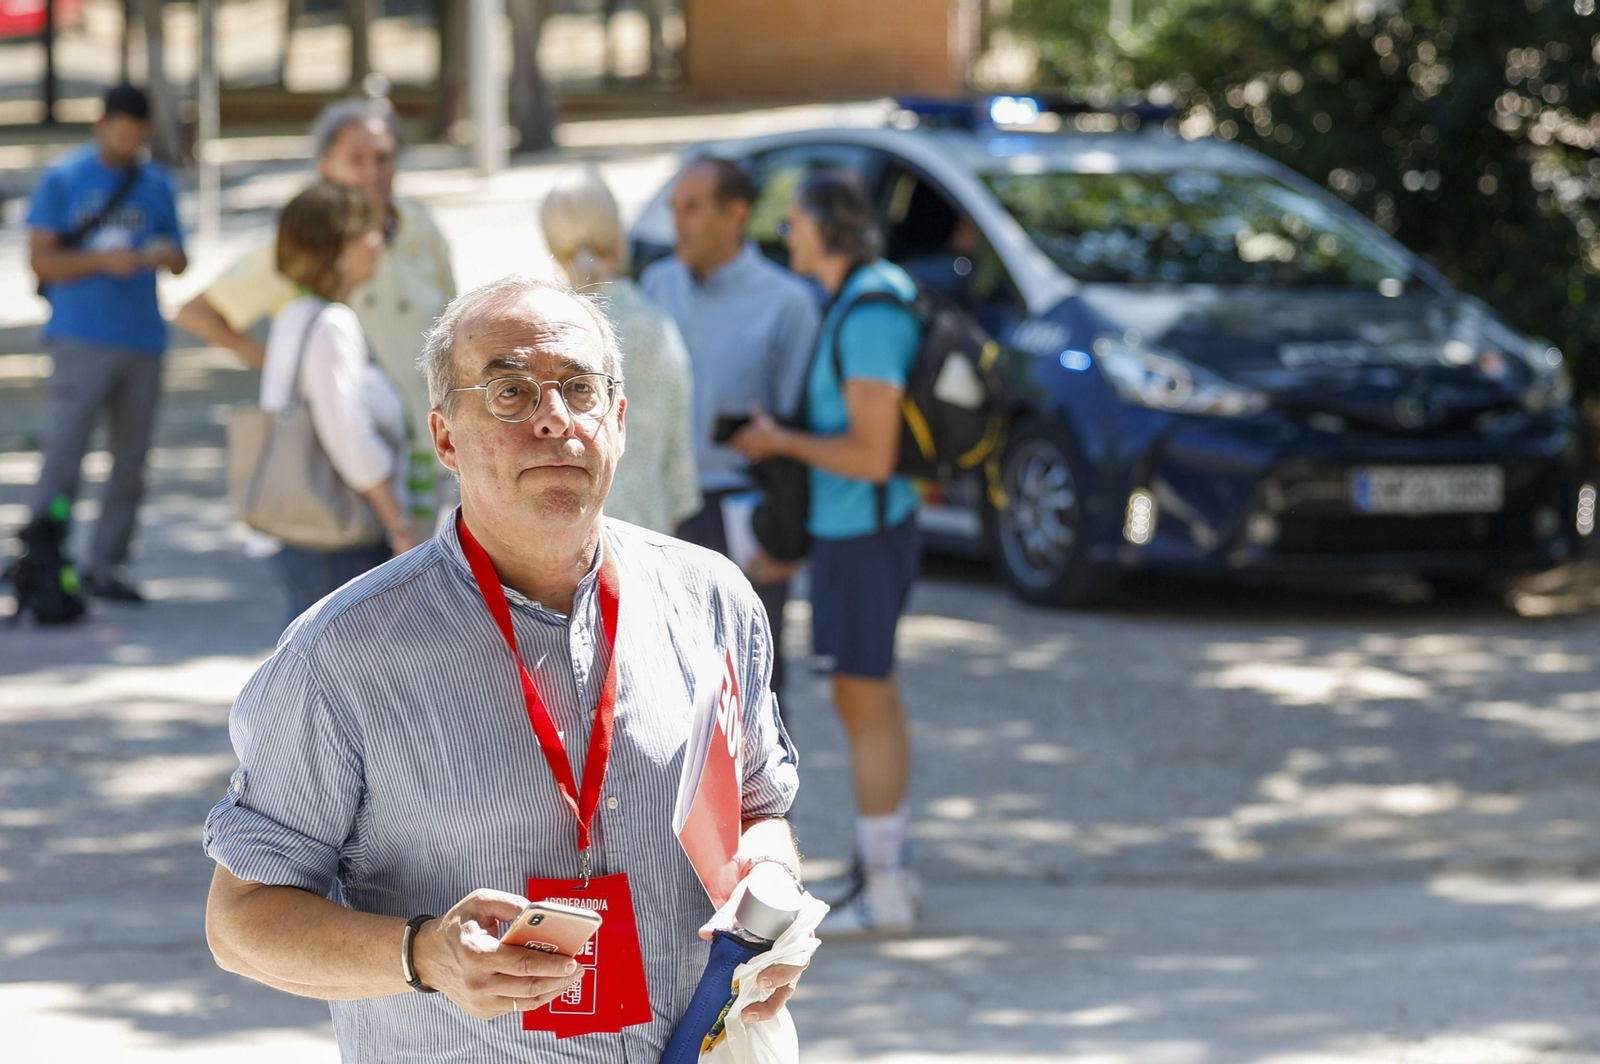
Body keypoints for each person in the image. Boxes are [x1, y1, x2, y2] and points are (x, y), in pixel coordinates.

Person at [203, 274, 812, 1061]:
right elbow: (239, 922)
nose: (554, 419)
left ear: (619, 421)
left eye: (577, 389)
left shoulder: (712, 599)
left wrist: (771, 892)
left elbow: (760, 807)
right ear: (445, 438)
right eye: (510, 393)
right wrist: (423, 955)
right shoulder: (341, 656)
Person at [729, 169, 923, 938]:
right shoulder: (853, 300)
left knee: (866, 701)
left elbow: (871, 454)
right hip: (851, 537)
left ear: (830, 225)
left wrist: (780, 441)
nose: (788, 235)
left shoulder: (871, 311)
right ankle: (880, 867)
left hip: (868, 535)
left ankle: (890, 887)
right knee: (862, 699)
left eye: (796, 221)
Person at [175, 97, 455, 530]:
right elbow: (197, 312)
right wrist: (283, 368)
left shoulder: (419, 225)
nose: (372, 172)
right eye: (356, 159)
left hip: (428, 446)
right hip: (349, 471)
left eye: (382, 158)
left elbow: (452, 329)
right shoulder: (307, 241)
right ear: (326, 166)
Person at [639, 156, 820, 693]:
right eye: (674, 209)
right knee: (664, 688)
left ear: (737, 213)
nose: (678, 223)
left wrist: (787, 538)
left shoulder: (789, 304)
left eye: (692, 209)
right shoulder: (655, 286)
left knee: (751, 688)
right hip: (665, 512)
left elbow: (796, 429)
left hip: (745, 512)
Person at [24, 82, 187, 603]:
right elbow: (41, 261)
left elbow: (182, 258)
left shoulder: (156, 182)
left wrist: (162, 255)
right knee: (64, 458)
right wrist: (101, 261)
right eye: (119, 130)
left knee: (129, 465)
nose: (127, 140)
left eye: (136, 132)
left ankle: (106, 567)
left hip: (142, 340)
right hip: (79, 338)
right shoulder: (64, 178)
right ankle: (45, 561)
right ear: (101, 125)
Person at [259, 181, 420, 622]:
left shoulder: (296, 313)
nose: (378, 241)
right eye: (368, 230)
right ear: (340, 248)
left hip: (305, 535)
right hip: (339, 538)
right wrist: (399, 527)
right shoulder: (332, 324)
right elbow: (350, 439)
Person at [538, 167, 699, 533]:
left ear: (551, 244)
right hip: (648, 541)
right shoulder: (657, 326)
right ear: (617, 233)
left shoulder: (539, 335)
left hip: (562, 545)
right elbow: (681, 478)